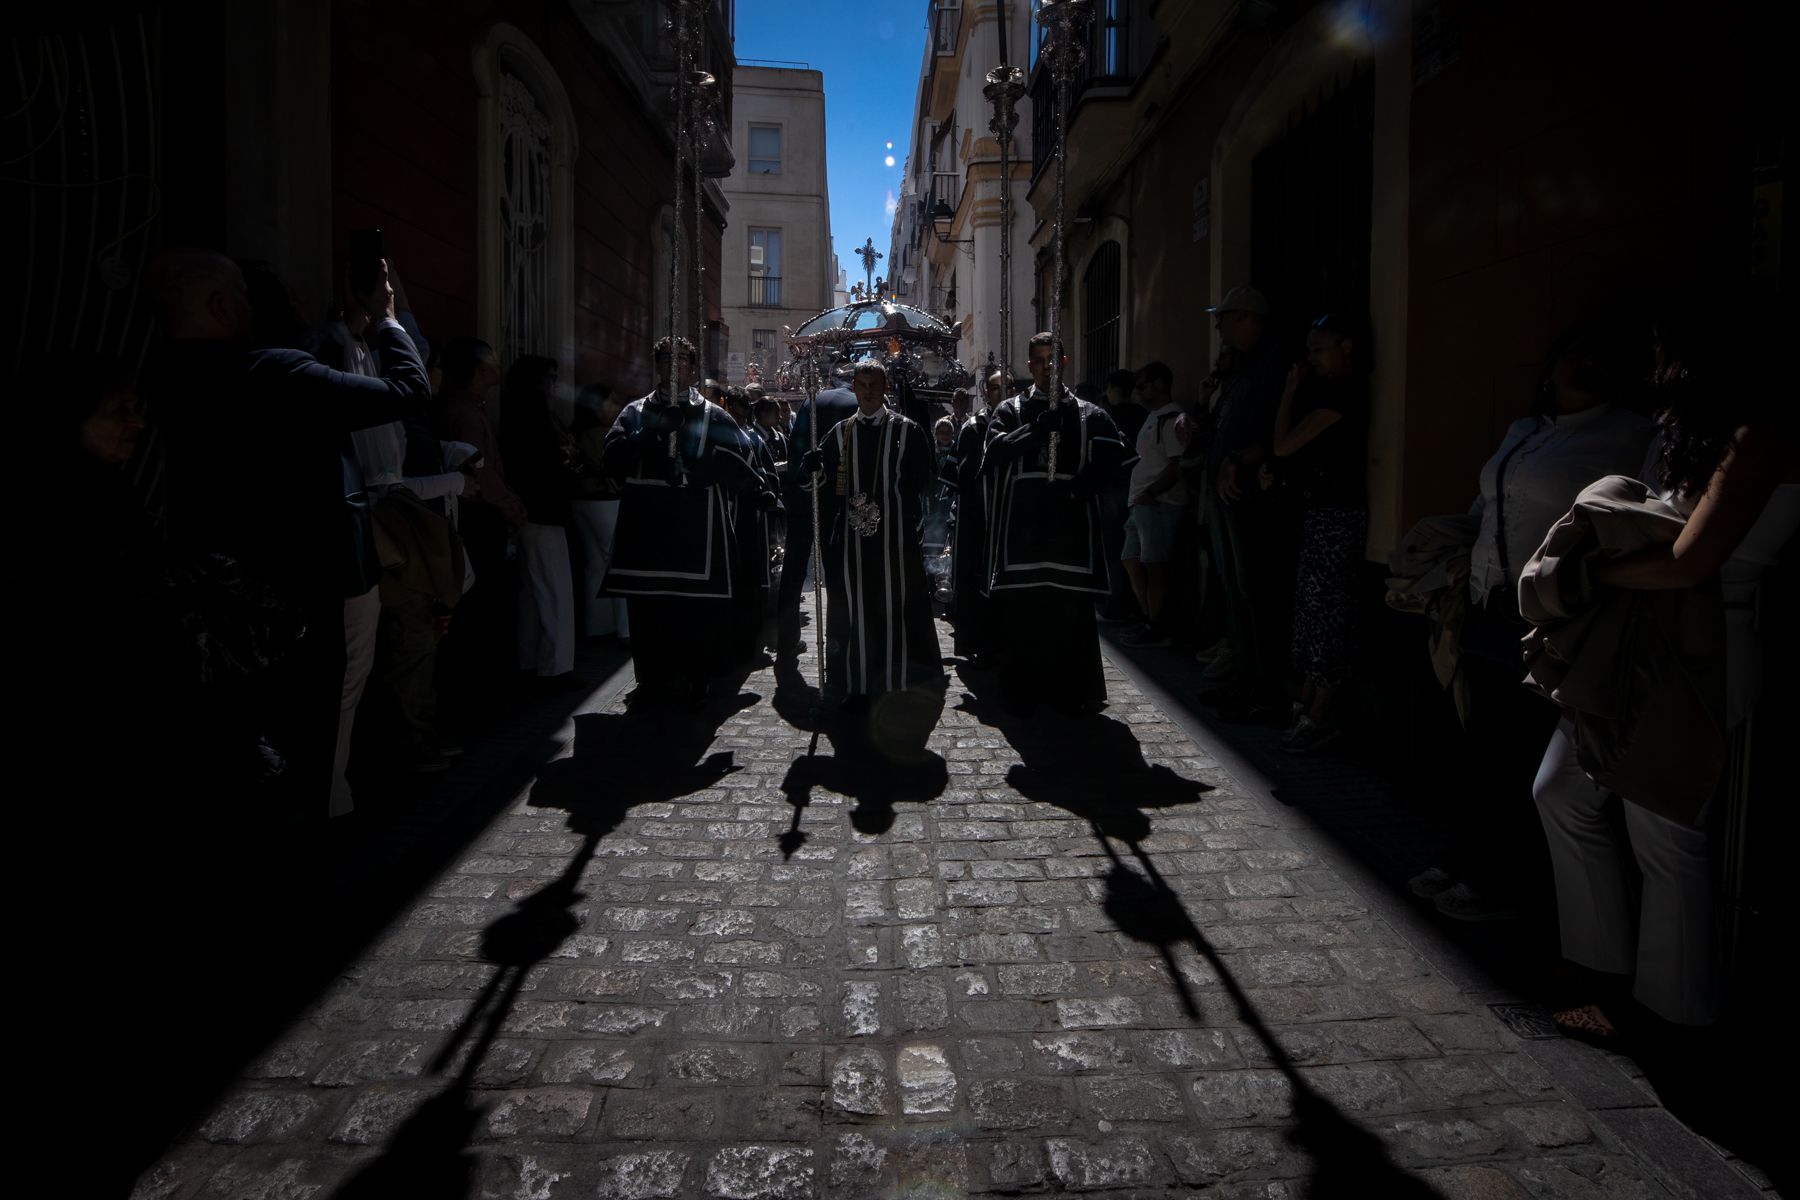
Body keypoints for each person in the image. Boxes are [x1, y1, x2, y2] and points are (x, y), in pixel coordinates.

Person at [1532, 322, 1798, 1032]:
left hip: (1704, 642)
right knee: (1560, 790)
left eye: (1667, 357)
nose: (1655, 371)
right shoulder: (1686, 433)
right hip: (1643, 632)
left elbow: (1689, 562)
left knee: (1666, 832)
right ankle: (1602, 965)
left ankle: (1672, 1012)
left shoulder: (1757, 439)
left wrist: (1589, 574)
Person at [140, 249, 430, 822]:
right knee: (318, 721)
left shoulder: (163, 377)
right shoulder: (274, 372)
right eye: (241, 297)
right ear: (222, 304)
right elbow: (409, 392)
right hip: (310, 586)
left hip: (224, 592)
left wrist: (342, 329)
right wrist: (386, 318)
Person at [1409, 325, 1655, 922]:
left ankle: (1504, 880)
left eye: (1600, 359)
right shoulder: (1524, 431)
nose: (1588, 366)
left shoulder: (1629, 435)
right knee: (1478, 742)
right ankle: (1467, 856)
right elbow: (1488, 504)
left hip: (1554, 614)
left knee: (1523, 750)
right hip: (1487, 600)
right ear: (1550, 371)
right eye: (1577, 357)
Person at [601, 337, 774, 706]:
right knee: (650, 609)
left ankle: (699, 675)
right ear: (657, 365)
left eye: (681, 360)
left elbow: (742, 460)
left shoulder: (714, 414)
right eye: (666, 359)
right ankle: (652, 677)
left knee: (698, 610)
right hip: (648, 529)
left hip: (699, 529)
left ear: (693, 367)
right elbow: (611, 458)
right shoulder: (634, 412)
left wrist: (715, 469)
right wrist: (648, 434)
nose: (673, 366)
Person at [980, 332, 1135, 714]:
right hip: (1023, 534)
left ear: (1063, 364)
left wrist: (1081, 487)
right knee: (1025, 610)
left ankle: (1074, 688)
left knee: (1069, 610)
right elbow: (994, 453)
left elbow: (1118, 460)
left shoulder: (1089, 413)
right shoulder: (1010, 410)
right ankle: (1022, 687)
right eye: (1039, 360)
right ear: (1029, 365)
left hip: (1070, 530)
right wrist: (1035, 431)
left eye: (1054, 359)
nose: (1047, 366)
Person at [796, 359, 942, 712]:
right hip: (852, 545)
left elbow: (926, 481)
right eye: (862, 385)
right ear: (855, 389)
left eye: (874, 384)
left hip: (896, 540)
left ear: (886, 386)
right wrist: (809, 468)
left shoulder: (908, 431)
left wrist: (904, 512)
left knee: (894, 611)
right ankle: (855, 682)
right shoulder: (839, 434)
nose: (868, 391)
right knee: (855, 613)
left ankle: (894, 683)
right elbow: (817, 487)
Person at [1260, 315, 1371, 753]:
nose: (1310, 360)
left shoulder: (1342, 394)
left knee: (1326, 612)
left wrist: (1289, 391)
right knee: (1311, 608)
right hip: (1320, 509)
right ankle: (1310, 699)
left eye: (1318, 350)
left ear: (1345, 347)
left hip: (1338, 514)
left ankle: (1323, 710)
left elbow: (1285, 444)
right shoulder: (1326, 393)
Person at [1201, 285, 1295, 722]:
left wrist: (1236, 460)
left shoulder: (1273, 364)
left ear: (1245, 318)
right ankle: (1246, 678)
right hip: (1231, 493)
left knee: (1257, 592)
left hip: (1251, 494)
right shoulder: (1246, 365)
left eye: (1224, 319)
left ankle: (1264, 687)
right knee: (1241, 590)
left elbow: (1273, 430)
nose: (1218, 328)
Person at [436, 337, 527, 712]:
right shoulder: (468, 415)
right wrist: (511, 506)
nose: (498, 368)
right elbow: (480, 472)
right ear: (478, 371)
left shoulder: (465, 408)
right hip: (479, 520)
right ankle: (482, 697)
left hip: (471, 517)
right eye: (492, 363)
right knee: (484, 610)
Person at [498, 355, 578, 684]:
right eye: (550, 377)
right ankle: (555, 667)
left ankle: (530, 660)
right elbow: (546, 463)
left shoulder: (516, 411)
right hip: (544, 510)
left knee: (532, 593)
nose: (554, 383)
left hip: (529, 509)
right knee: (555, 591)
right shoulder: (536, 415)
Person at [777, 372, 860, 666]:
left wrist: (799, 484)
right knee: (837, 572)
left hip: (802, 495)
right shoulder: (857, 402)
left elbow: (795, 446)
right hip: (836, 500)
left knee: (794, 569)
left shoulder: (811, 401)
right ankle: (838, 640)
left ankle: (786, 638)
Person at [1119, 361, 1186, 648]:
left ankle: (1157, 624)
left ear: (1159, 384)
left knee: (1153, 565)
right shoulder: (1155, 417)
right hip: (1141, 504)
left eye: (1143, 385)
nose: (1138, 392)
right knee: (1131, 559)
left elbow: (1177, 464)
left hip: (1157, 504)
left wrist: (1152, 493)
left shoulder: (1171, 418)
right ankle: (1148, 617)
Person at [944, 369, 1007, 660]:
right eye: (995, 389)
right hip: (978, 518)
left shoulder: (1022, 420)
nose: (1001, 394)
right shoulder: (973, 427)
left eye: (1006, 388)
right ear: (986, 392)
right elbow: (959, 475)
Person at [569, 384, 630, 641]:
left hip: (582, 501)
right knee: (617, 563)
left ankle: (598, 626)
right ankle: (624, 629)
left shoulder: (578, 432)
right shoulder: (603, 434)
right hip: (605, 501)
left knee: (595, 565)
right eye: (610, 403)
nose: (615, 408)